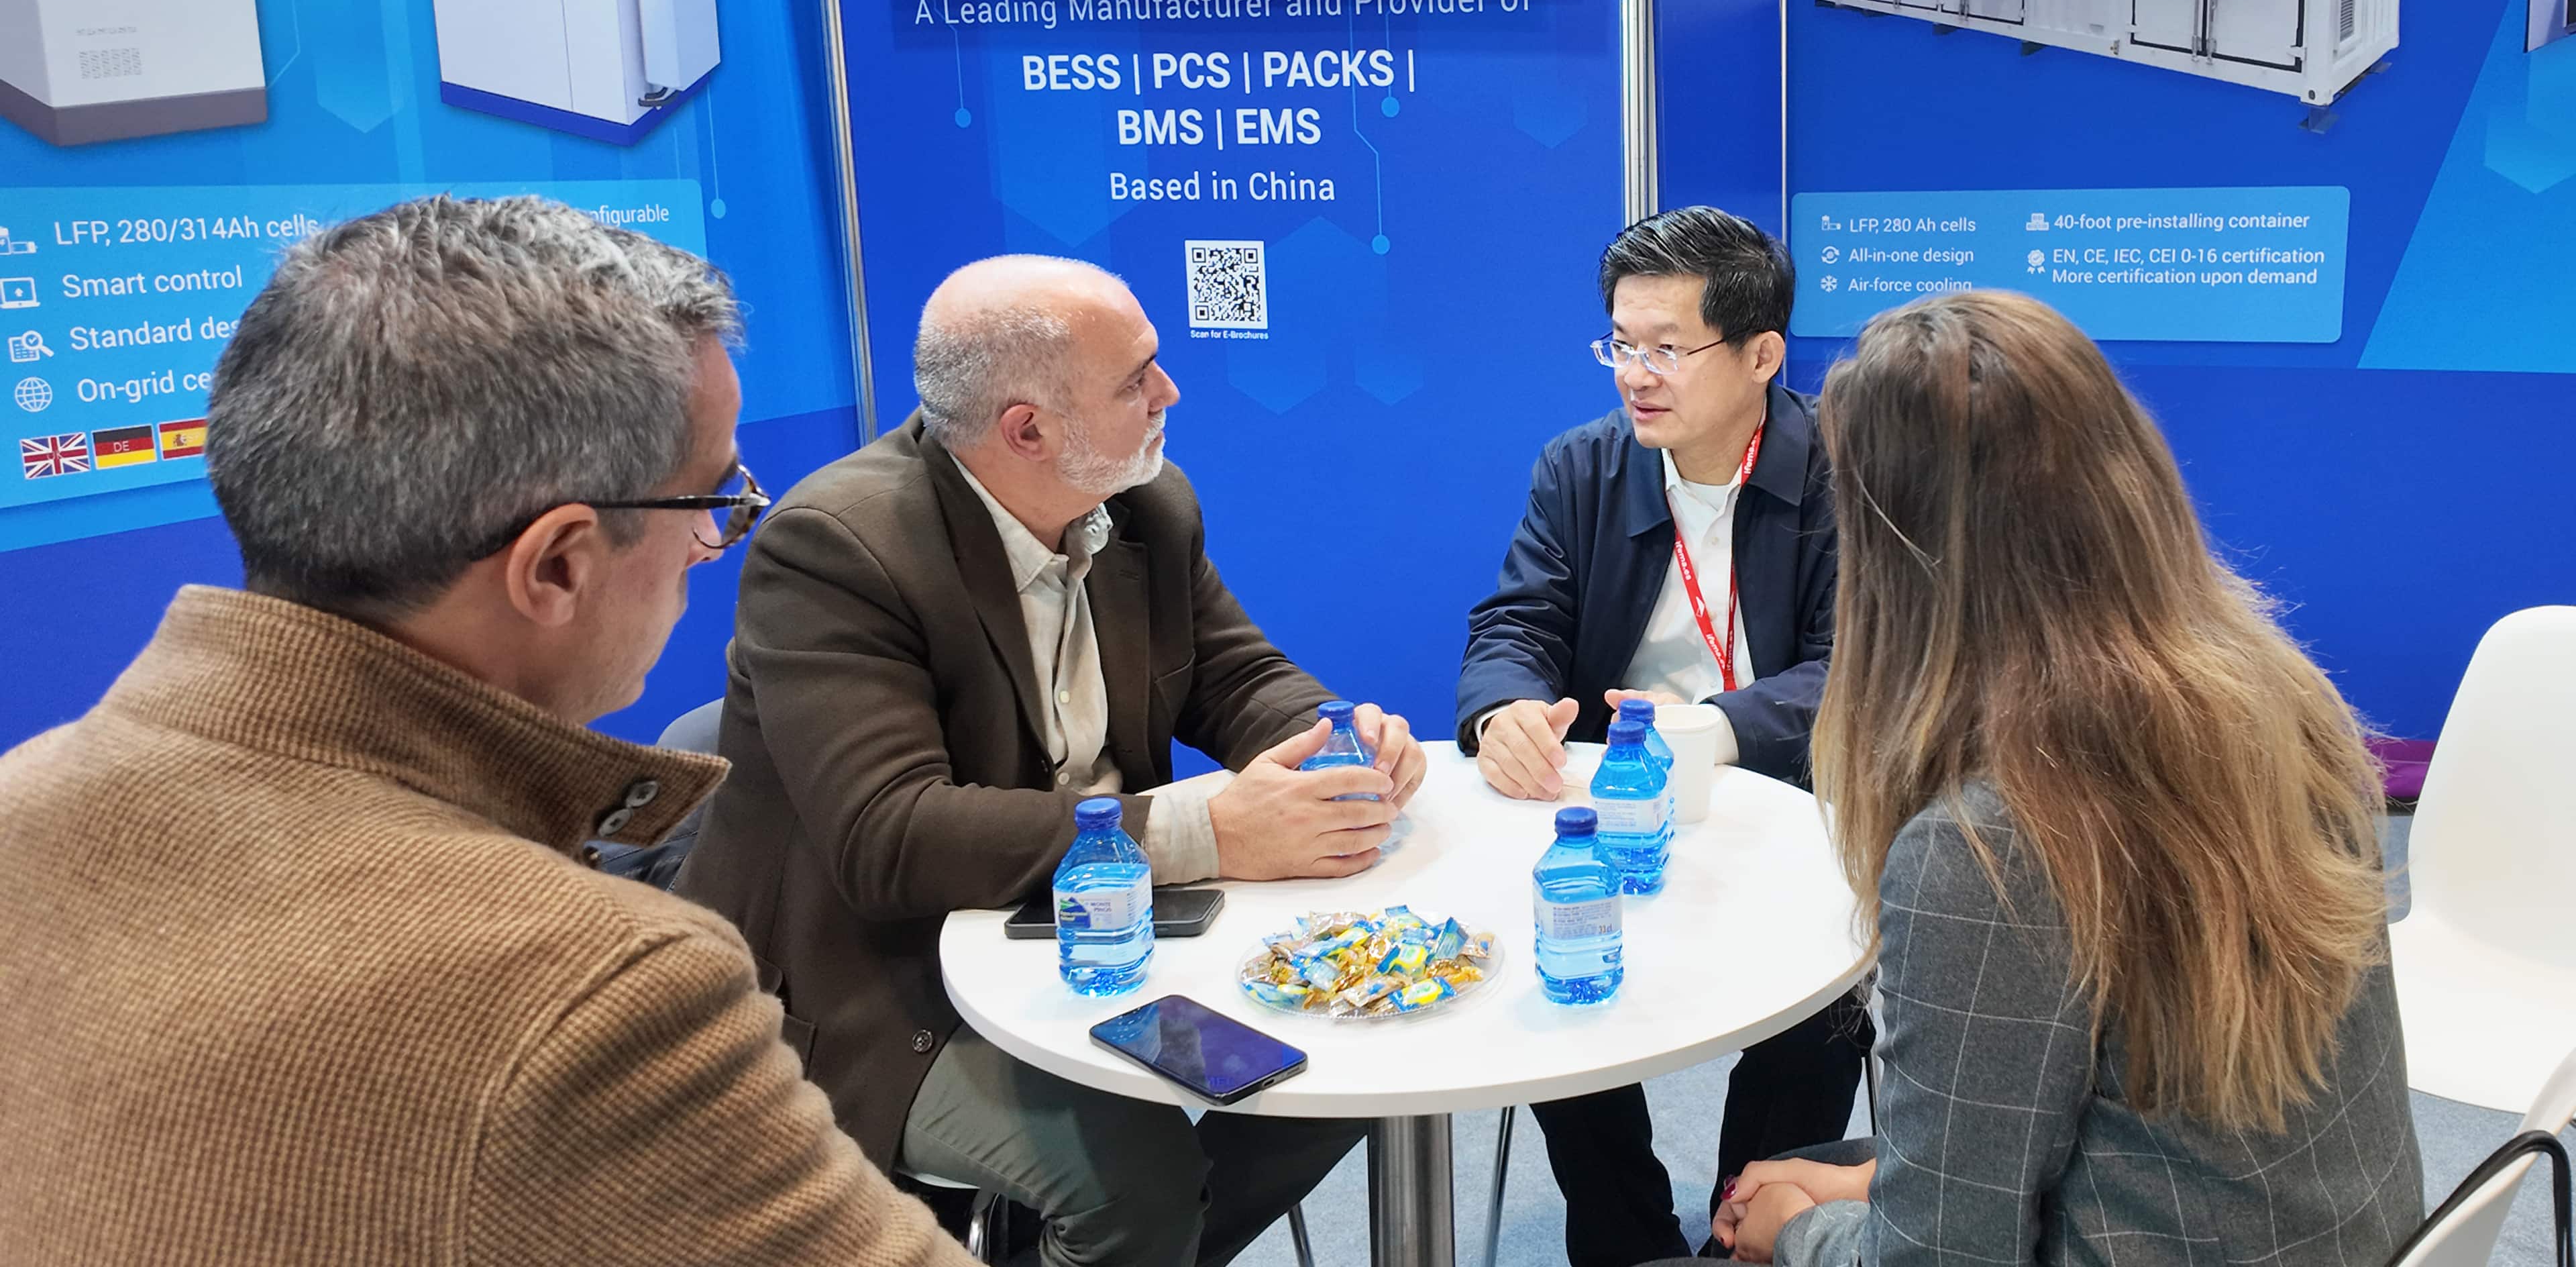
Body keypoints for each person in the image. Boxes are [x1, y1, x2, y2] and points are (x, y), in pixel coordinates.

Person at [0, 197, 975, 1265]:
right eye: (712, 498)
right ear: (557, 565)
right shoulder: (596, 990)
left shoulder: (22, 800)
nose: (712, 543)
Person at [676, 254, 1426, 1267]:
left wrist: (1336, 740)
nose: (1169, 393)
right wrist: (1205, 831)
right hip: (885, 985)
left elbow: (1234, 675)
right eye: (1136, 379)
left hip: (1112, 934)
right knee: (1134, 1178)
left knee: (1340, 1075)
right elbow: (891, 838)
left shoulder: (1141, 504)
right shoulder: (839, 547)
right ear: (1027, 431)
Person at [1712, 291, 2420, 1267]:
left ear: (1897, 551)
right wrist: (1874, 1186)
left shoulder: (1985, 848)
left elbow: (1938, 1261)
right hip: (2331, 1230)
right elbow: (2107, 1094)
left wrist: (1800, 1229)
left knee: (1760, 1206)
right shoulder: (2277, 693)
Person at [1456, 206, 1870, 1266]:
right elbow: (1516, 624)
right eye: (1621, 346)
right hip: (1615, 804)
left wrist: (1719, 730)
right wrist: (1504, 709)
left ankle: (1748, 1235)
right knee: (1554, 984)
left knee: (1825, 1015)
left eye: (1668, 350)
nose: (1636, 376)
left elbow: (1862, 664)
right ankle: (1628, 1239)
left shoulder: (1846, 470)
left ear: (1761, 355)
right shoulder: (1581, 468)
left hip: (1800, 804)